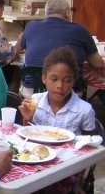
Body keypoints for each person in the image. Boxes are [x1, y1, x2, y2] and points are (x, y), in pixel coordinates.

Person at [19, 46, 96, 193]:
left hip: (67, 170)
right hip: (37, 163)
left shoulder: (84, 110)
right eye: (54, 79)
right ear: (44, 78)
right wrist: (26, 120)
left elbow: (88, 149)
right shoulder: (35, 101)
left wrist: (77, 183)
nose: (60, 86)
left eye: (67, 80)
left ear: (73, 81)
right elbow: (27, 140)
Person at [20, 0, 104, 98]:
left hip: (32, 93)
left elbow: (22, 48)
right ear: (67, 13)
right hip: (68, 92)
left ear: (46, 13)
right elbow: (98, 64)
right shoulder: (80, 30)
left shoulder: (31, 26)